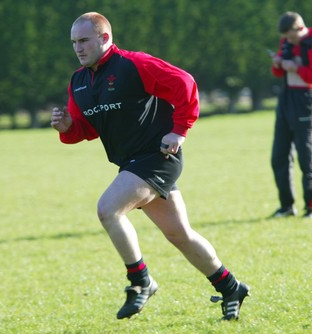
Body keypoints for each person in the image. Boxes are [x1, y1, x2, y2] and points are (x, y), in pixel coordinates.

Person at [51, 12, 250, 320]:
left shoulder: (133, 64)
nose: (78, 48)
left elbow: (185, 83)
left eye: (84, 40)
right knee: (179, 234)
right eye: (74, 42)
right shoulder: (79, 81)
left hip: (158, 157)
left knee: (108, 209)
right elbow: (86, 128)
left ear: (105, 38)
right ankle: (230, 287)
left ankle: (140, 281)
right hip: (132, 164)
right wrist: (67, 126)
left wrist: (180, 129)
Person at [270, 12, 312, 218]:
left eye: (290, 36)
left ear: (299, 27)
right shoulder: (286, 41)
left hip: (306, 100)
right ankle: (286, 206)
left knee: (307, 158)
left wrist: (296, 67)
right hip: (286, 99)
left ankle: (310, 207)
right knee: (279, 156)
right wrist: (278, 63)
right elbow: (278, 74)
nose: (288, 41)